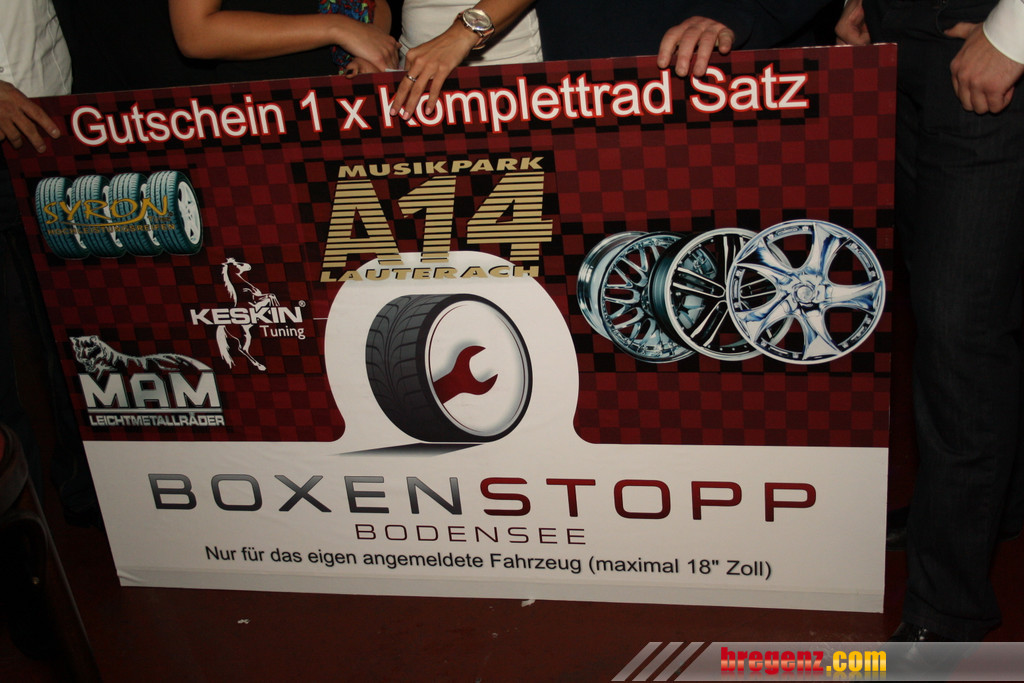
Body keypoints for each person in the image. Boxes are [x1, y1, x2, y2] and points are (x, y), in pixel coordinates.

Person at [663, 0, 1024, 642]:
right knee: (950, 299)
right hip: (895, 51)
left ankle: (948, 608)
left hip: (983, 50)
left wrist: (1016, 30)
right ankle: (989, 509)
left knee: (960, 333)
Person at [168, 0, 400, 82]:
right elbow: (195, 33)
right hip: (261, 113)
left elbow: (376, 4)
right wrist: (337, 28)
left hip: (348, 108)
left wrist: (370, 50)